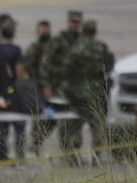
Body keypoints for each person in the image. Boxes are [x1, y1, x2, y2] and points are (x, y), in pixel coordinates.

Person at [63, 20, 115, 164]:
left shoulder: (75, 48)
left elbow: (66, 69)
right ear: (94, 31)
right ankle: (96, 157)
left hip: (77, 92)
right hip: (97, 91)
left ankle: (74, 155)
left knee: (75, 125)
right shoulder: (102, 47)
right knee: (97, 125)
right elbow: (109, 67)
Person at [40, 10, 83, 164]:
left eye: (77, 22)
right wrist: (46, 85)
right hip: (61, 88)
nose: (74, 25)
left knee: (76, 122)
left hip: (78, 89)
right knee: (64, 121)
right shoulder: (58, 40)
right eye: (72, 22)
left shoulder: (82, 41)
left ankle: (74, 152)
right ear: (68, 22)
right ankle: (67, 155)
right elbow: (46, 62)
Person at [0, 20, 25, 161]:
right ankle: (20, 154)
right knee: (19, 123)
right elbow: (19, 73)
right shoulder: (16, 50)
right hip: (11, 91)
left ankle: (1, 154)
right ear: (12, 33)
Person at [23, 20, 54, 156]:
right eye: (42, 29)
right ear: (37, 31)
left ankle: (38, 140)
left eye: (46, 29)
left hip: (53, 89)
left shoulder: (54, 46)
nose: (45, 32)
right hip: (38, 88)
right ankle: (36, 144)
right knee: (38, 116)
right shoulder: (33, 48)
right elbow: (28, 67)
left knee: (53, 118)